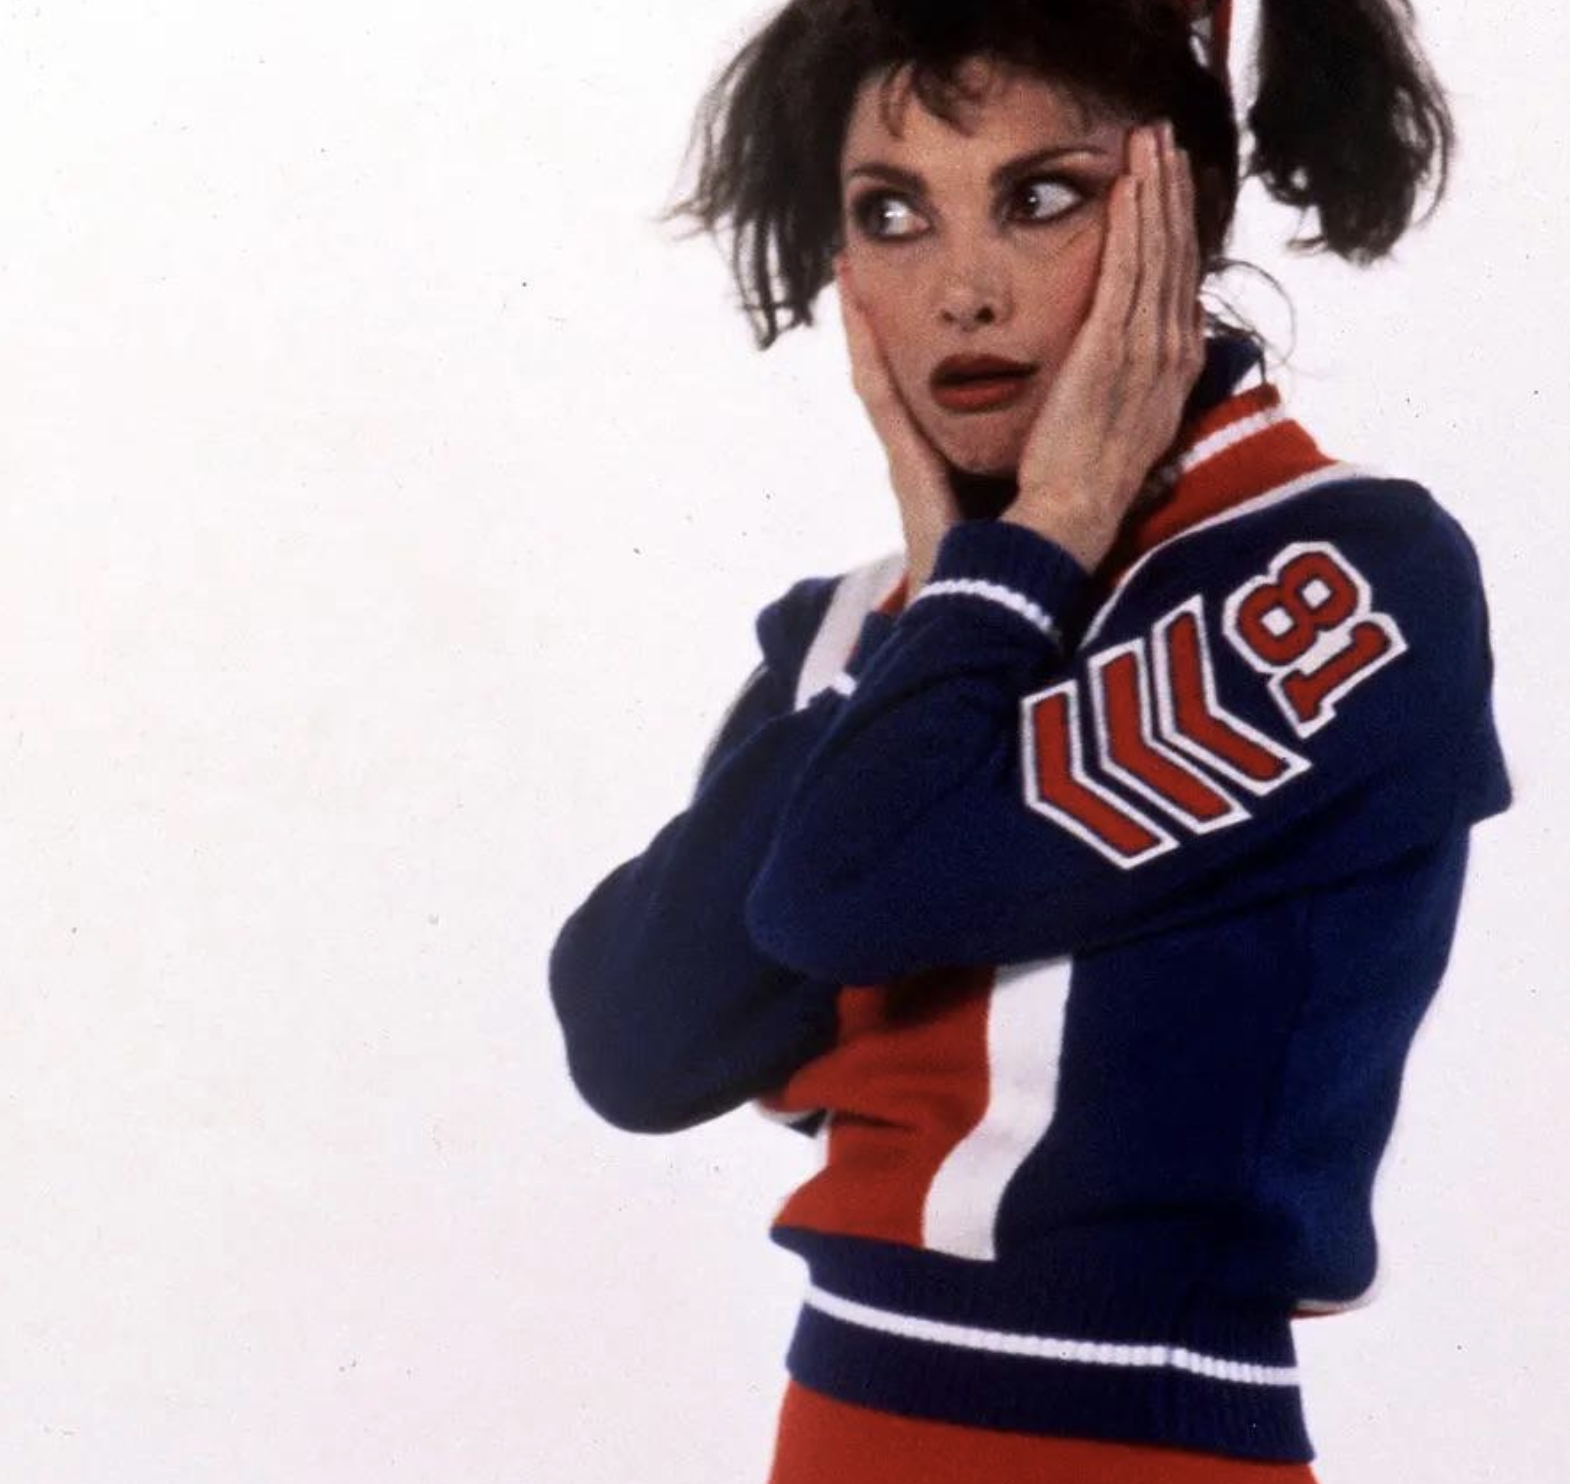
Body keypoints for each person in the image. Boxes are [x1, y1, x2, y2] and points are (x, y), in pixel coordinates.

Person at [545, 0, 1513, 1479]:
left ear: (1178, 217)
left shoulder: (1347, 575)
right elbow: (635, 1044)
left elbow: (851, 893)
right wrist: (963, 584)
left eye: (1041, 198)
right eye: (892, 215)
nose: (964, 293)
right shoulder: (865, 620)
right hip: (834, 1435)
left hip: (1129, 1440)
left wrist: (1049, 525)